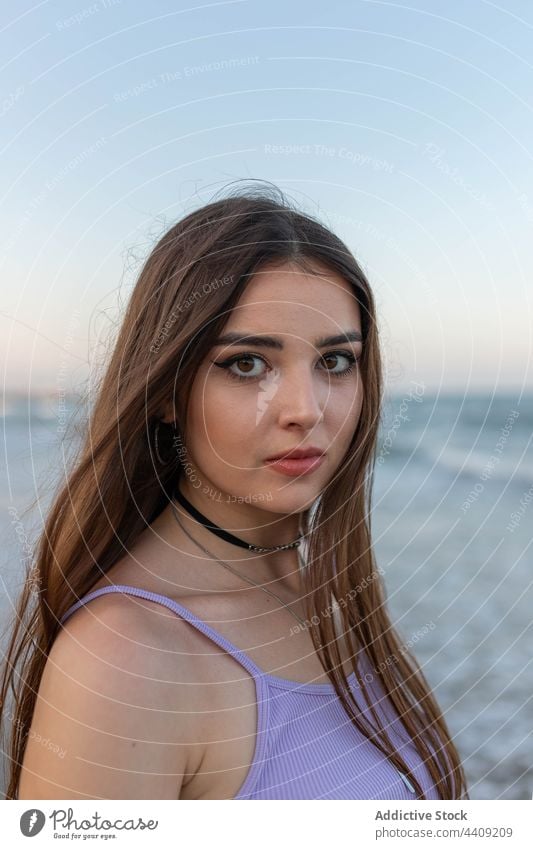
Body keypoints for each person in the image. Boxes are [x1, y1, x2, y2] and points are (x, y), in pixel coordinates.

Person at [1, 183, 468, 800]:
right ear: (166, 389)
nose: (305, 409)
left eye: (335, 362)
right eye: (247, 363)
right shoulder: (126, 658)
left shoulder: (326, 594)